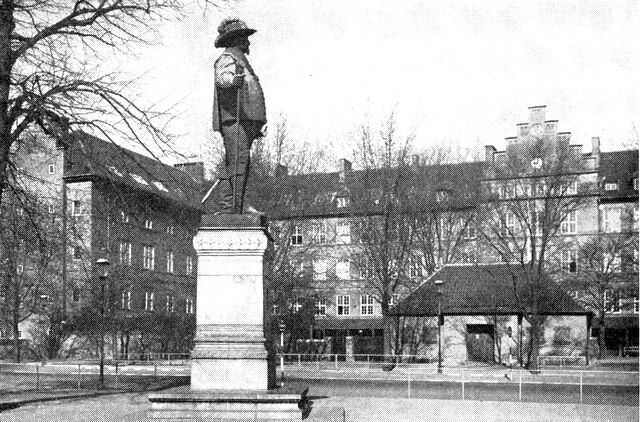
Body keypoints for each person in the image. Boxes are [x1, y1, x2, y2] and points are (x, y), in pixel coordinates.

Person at [212, 18, 266, 213]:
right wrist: (232, 80)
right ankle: (232, 208)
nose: (248, 43)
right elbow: (222, 78)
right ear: (236, 40)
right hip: (234, 119)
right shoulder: (228, 57)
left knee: (239, 162)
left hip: (245, 121)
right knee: (237, 161)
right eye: (245, 38)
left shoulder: (242, 60)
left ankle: (233, 205)